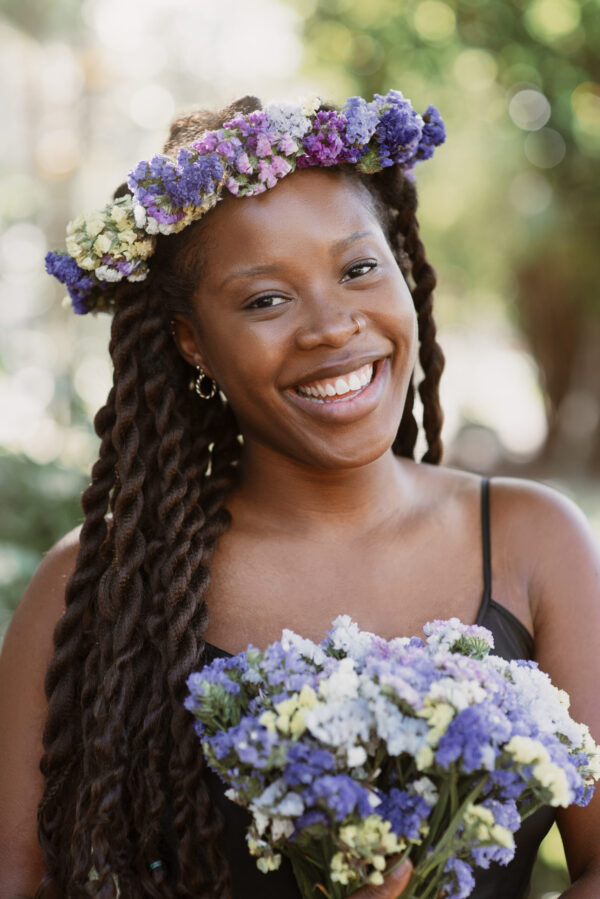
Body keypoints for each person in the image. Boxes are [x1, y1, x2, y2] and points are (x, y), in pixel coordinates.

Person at [0, 90, 599, 899]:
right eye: (265, 300)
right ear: (191, 342)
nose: (331, 326)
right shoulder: (93, 587)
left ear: (402, 267)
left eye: (358, 269)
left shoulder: (535, 541)